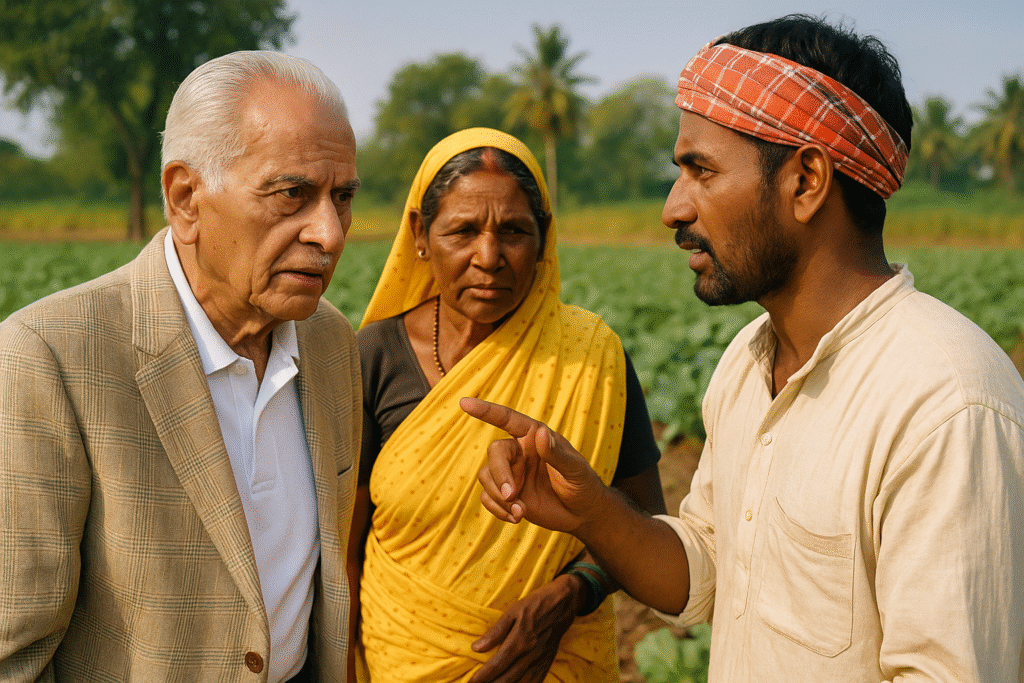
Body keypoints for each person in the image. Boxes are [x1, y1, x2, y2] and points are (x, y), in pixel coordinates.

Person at [467, 15, 1024, 682]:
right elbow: (706, 567)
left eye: (701, 170)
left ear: (806, 181)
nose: (674, 209)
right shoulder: (746, 360)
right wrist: (591, 509)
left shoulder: (946, 402)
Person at [0, 51, 361, 682]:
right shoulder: (49, 358)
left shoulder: (330, 343)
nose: (329, 234)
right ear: (186, 197)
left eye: (343, 197)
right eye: (292, 195)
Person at [351, 127, 666, 682]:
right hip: (402, 659)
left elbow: (647, 522)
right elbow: (343, 551)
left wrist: (572, 592)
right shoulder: (374, 356)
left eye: (514, 231)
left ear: (543, 239)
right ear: (420, 234)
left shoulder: (592, 358)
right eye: (463, 231)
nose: (489, 257)